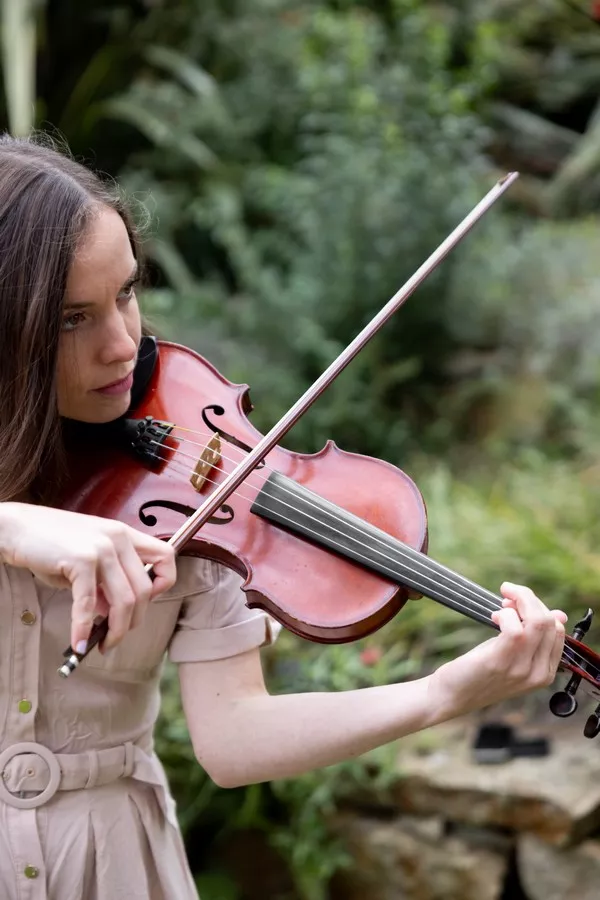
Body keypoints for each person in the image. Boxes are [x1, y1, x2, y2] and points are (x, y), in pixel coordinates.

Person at [0, 133, 567, 900]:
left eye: (127, 293)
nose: (123, 346)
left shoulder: (198, 491)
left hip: (112, 867)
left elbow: (233, 741)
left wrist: (443, 693)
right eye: (73, 319)